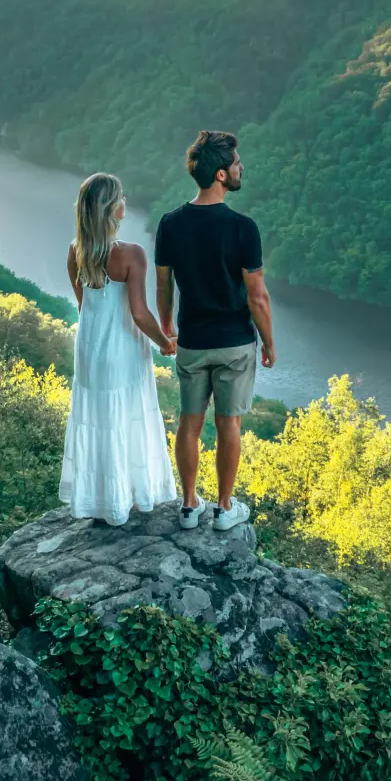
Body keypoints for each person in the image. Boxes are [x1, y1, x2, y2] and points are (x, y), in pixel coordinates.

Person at [155, 131, 276, 531]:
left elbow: (163, 284)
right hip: (235, 342)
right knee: (230, 426)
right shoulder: (244, 228)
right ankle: (224, 509)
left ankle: (189, 506)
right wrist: (270, 344)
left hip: (192, 341)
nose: (243, 169)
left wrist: (168, 327)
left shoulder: (170, 224)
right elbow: (257, 297)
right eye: (238, 164)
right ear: (222, 175)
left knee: (189, 424)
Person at [60, 172, 177, 526]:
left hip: (90, 348)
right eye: (121, 197)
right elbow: (140, 314)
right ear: (112, 209)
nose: (126, 201)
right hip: (122, 349)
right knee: (125, 417)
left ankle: (101, 500)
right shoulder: (132, 255)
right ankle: (129, 497)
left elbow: (85, 307)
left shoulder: (76, 251)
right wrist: (165, 344)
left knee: (98, 419)